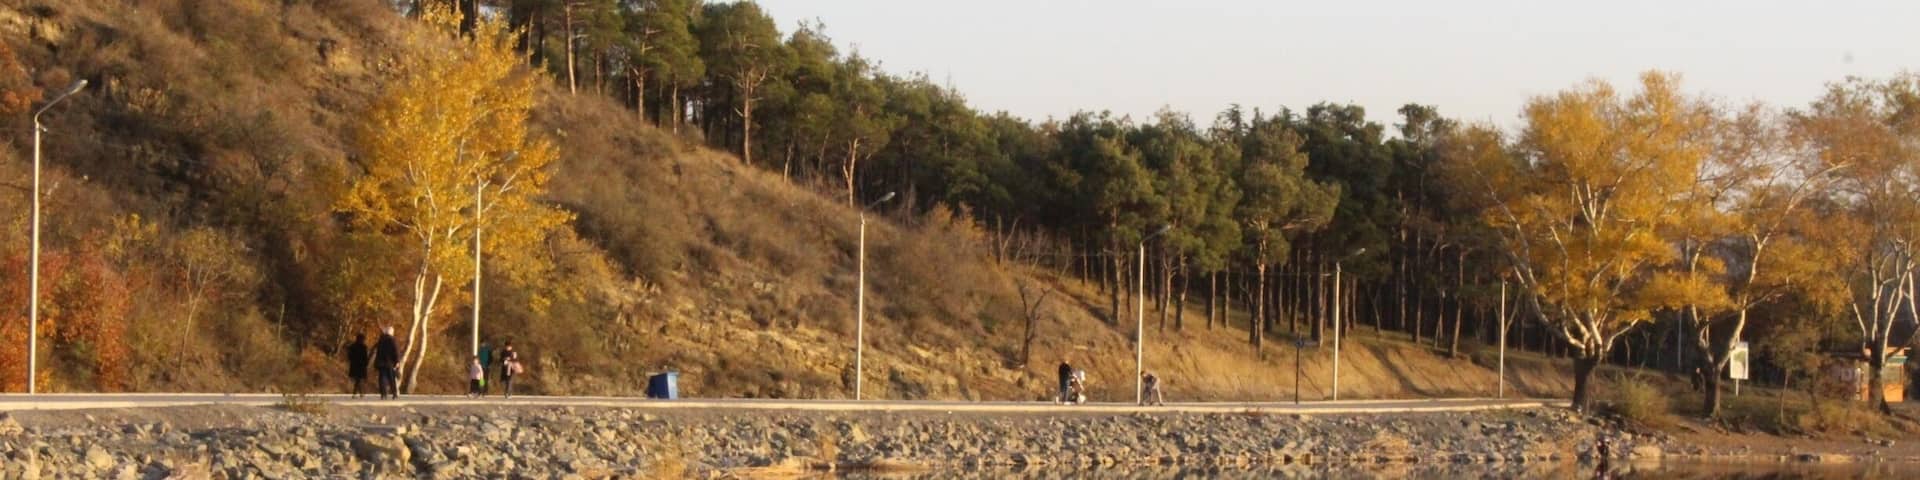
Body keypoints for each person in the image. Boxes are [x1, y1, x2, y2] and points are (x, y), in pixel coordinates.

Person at [374, 326, 401, 400]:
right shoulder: (392, 340)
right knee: (392, 379)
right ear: (392, 332)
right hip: (390, 363)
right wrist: (397, 361)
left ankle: (383, 394)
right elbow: (396, 351)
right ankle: (394, 394)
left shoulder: (381, 340)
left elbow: (377, 352)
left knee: (382, 379)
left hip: (381, 363)